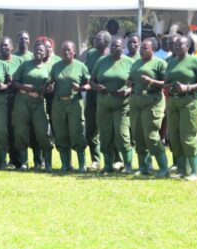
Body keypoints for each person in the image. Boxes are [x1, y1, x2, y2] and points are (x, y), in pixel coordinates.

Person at [164, 35, 197, 181]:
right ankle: (183, 170)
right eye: (175, 45)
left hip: (190, 102)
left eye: (180, 44)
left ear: (188, 46)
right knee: (175, 138)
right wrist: (168, 86)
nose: (177, 47)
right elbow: (166, 80)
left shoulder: (195, 60)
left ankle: (196, 172)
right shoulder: (170, 61)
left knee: (188, 137)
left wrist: (188, 87)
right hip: (173, 102)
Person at [90, 36, 134, 174]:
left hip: (122, 104)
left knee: (122, 135)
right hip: (104, 103)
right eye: (113, 46)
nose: (115, 48)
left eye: (118, 46)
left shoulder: (129, 62)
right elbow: (92, 80)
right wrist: (96, 87)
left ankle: (127, 165)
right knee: (105, 135)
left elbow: (136, 83)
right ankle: (108, 165)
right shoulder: (101, 61)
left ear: (123, 48)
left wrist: (128, 90)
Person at [126, 38, 169, 177]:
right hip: (136, 100)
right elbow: (131, 79)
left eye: (146, 48)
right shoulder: (136, 63)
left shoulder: (160, 63)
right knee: (138, 135)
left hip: (152, 101)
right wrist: (129, 82)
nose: (142, 50)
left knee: (151, 135)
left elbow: (167, 83)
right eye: (141, 48)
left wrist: (152, 81)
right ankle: (144, 167)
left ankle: (163, 168)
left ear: (153, 50)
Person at [49, 41, 90, 173]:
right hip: (58, 103)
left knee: (76, 132)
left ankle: (82, 164)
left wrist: (81, 88)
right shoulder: (55, 67)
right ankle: (66, 164)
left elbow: (89, 84)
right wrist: (49, 86)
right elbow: (50, 82)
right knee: (60, 134)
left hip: (74, 103)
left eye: (69, 50)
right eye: (64, 50)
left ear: (74, 52)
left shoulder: (80, 66)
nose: (66, 52)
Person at [11, 43, 53, 172]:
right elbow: (14, 82)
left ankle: (48, 164)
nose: (38, 52)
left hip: (38, 102)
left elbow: (50, 86)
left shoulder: (48, 68)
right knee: (21, 131)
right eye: (36, 50)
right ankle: (24, 163)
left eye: (41, 50)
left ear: (46, 53)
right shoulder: (25, 65)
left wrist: (48, 89)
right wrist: (25, 87)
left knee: (42, 132)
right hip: (22, 101)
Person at [82, 31, 111, 171]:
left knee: (107, 129)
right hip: (92, 95)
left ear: (106, 42)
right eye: (95, 37)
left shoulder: (111, 55)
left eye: (98, 39)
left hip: (106, 96)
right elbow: (86, 73)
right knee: (91, 130)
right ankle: (95, 160)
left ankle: (113, 160)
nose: (95, 40)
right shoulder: (91, 53)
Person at [0, 36, 23, 169]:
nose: (3, 48)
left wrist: (10, 83)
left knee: (14, 129)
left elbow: (21, 79)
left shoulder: (19, 61)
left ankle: (15, 160)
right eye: (1, 45)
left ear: (12, 47)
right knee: (1, 130)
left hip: (15, 99)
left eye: (6, 45)